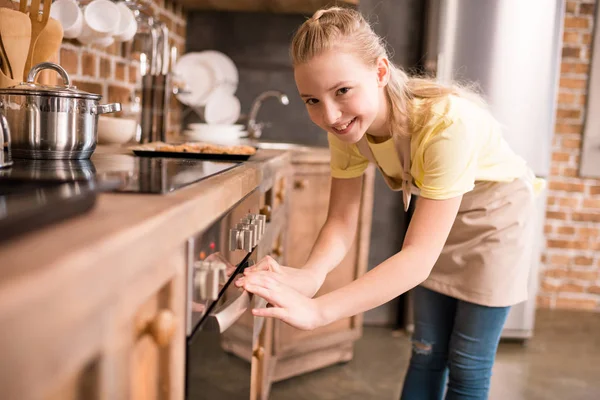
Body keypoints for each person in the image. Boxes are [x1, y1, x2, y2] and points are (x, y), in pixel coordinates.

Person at [235, 6, 544, 400]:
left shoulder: (446, 125)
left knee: (467, 362)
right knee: (427, 350)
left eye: (342, 91)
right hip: (436, 218)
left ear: (380, 72)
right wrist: (311, 276)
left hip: (495, 222)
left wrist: (319, 311)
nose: (329, 114)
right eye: (311, 100)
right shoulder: (347, 127)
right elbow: (340, 223)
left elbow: (417, 257)